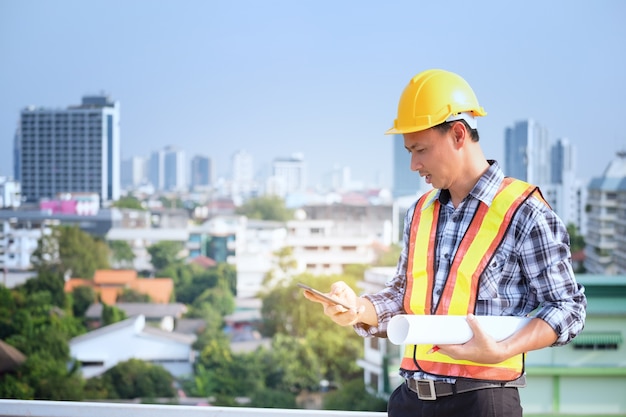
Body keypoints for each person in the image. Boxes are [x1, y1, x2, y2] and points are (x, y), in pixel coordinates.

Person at [302, 69, 587, 417]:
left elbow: (568, 308)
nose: (413, 164)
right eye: (409, 151)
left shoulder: (524, 212)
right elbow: (402, 296)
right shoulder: (419, 212)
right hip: (409, 400)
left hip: (482, 401)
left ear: (458, 134)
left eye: (420, 149)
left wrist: (502, 349)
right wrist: (356, 309)